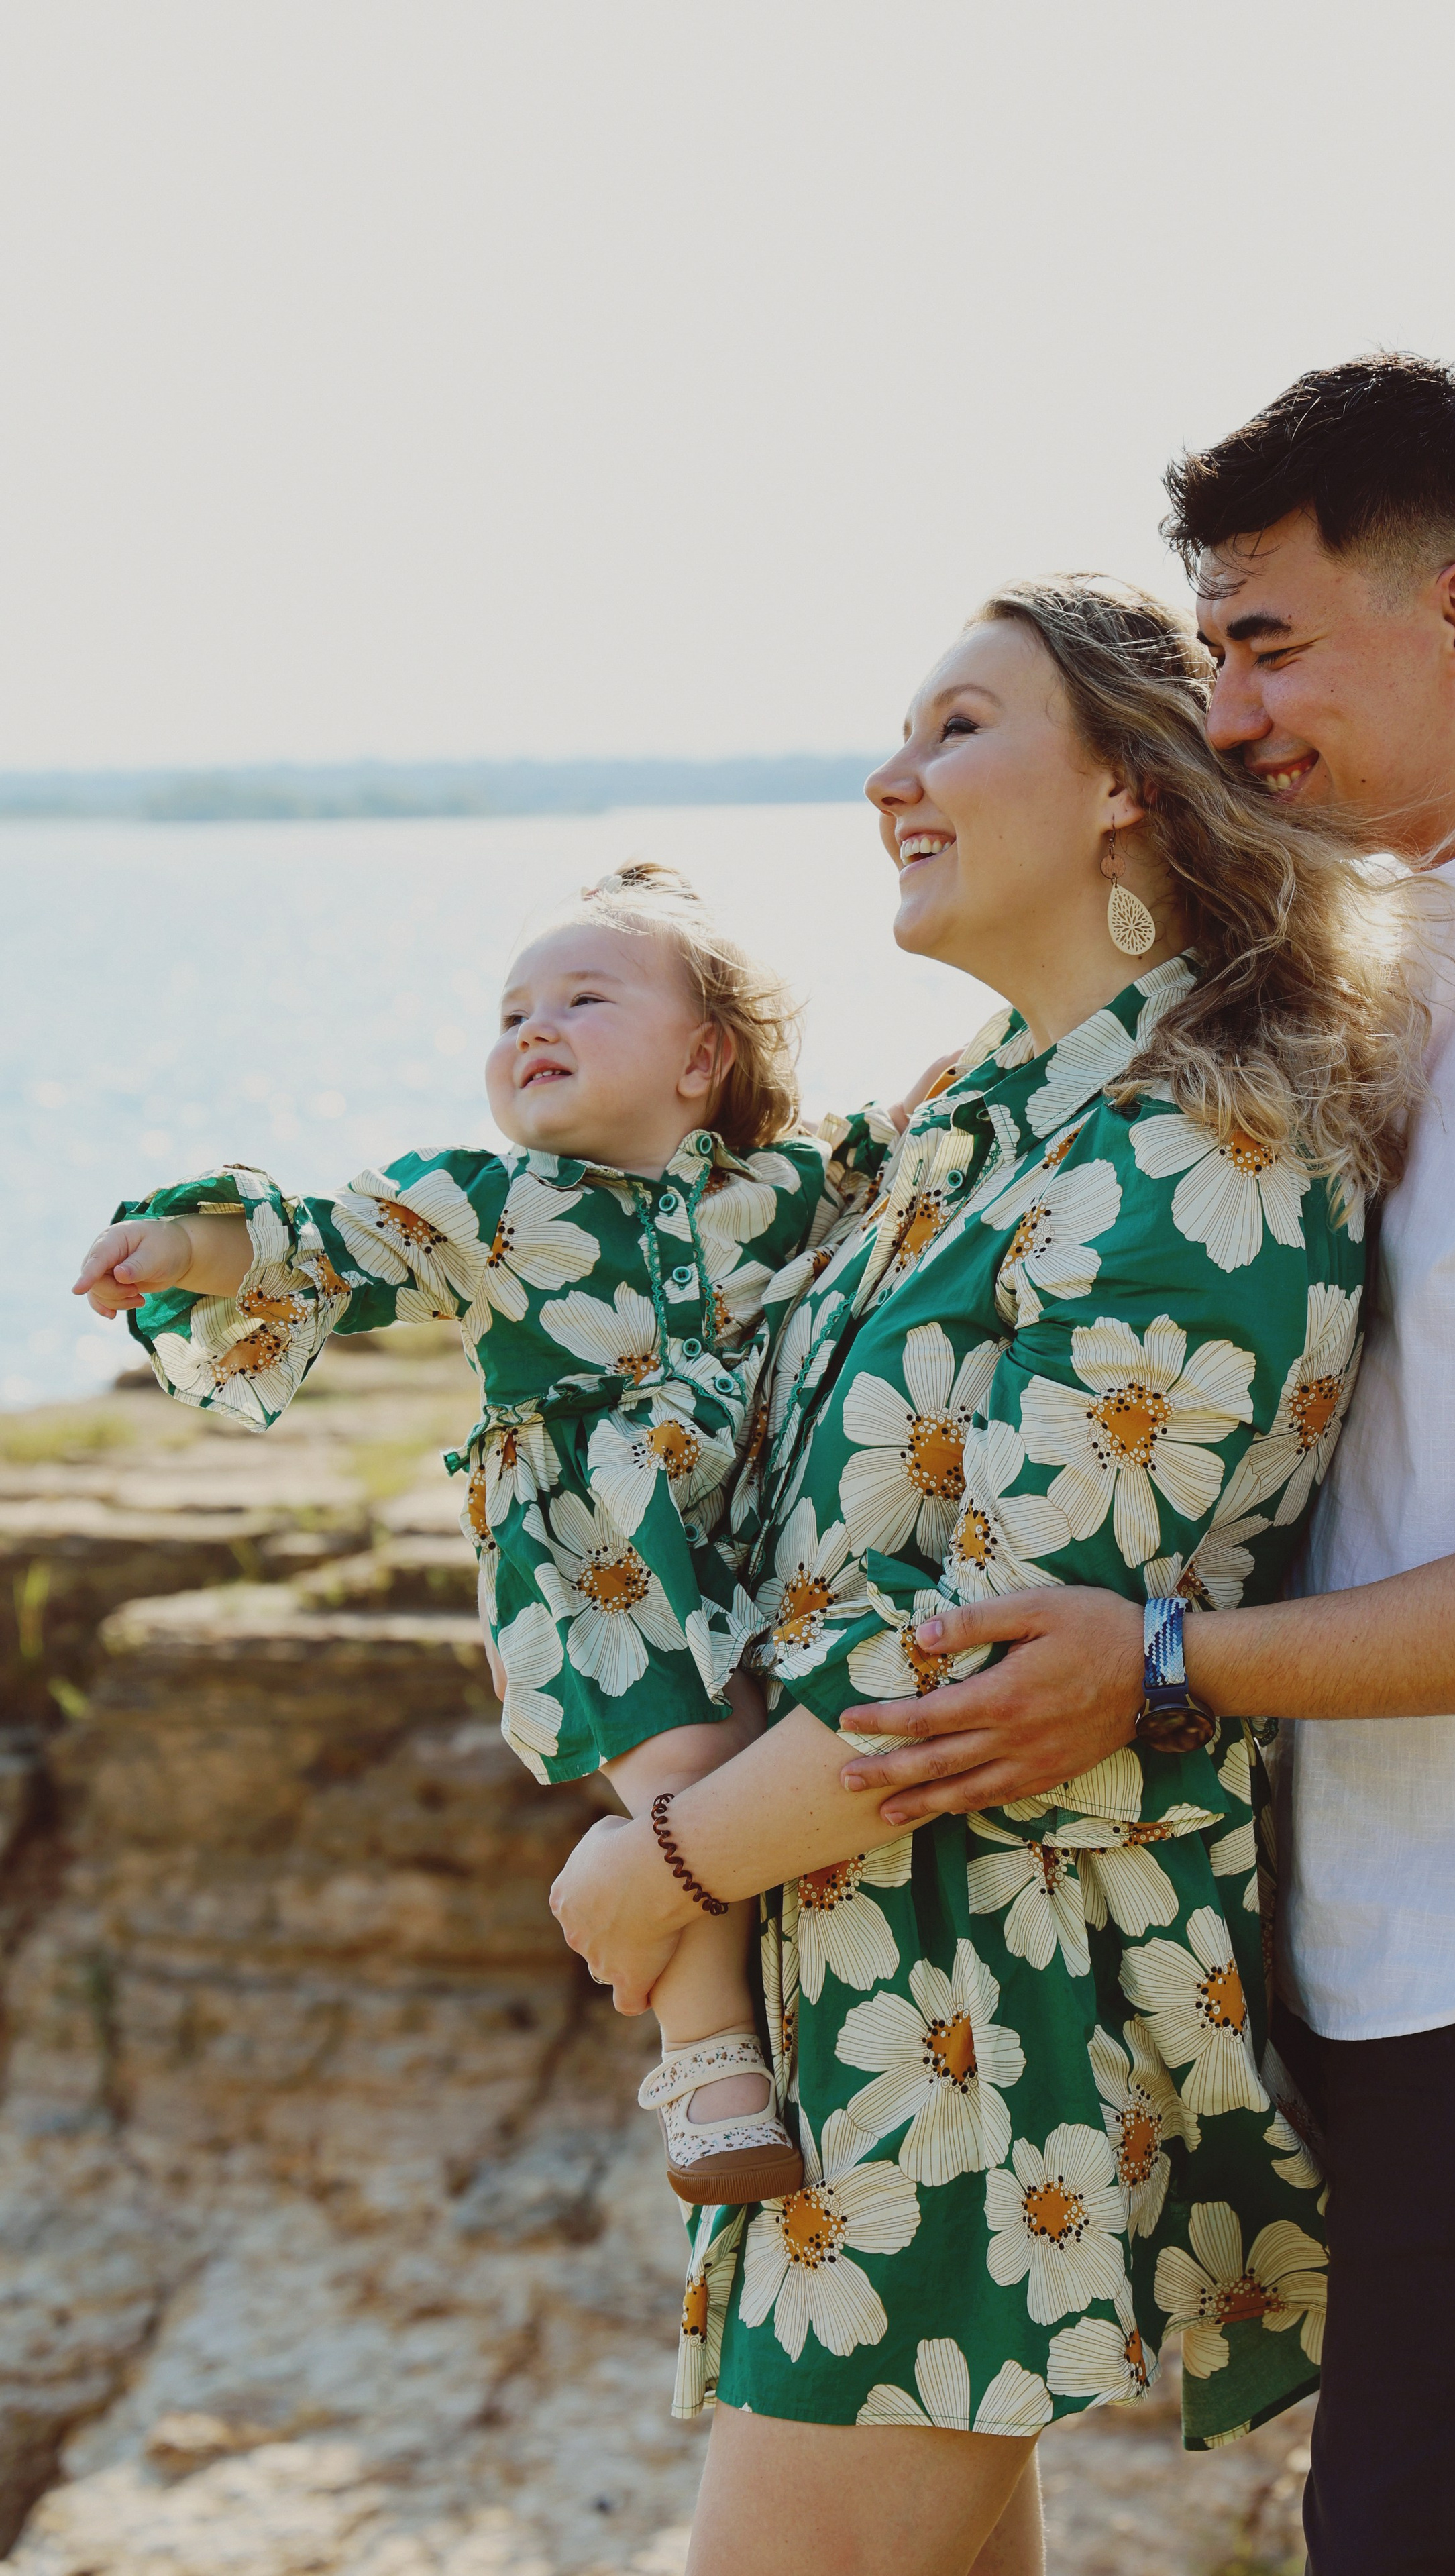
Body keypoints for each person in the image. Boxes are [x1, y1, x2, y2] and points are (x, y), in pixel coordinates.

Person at [833, 358, 1455, 2573]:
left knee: (1415, 2535)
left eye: (1268, 643)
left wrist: (1162, 1661)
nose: (1227, 715)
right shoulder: (1393, 964)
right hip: (1349, 1918)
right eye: (1210, 652)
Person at [547, 575, 1431, 2576]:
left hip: (980, 2031)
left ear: (1129, 782)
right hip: (860, 1982)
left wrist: (656, 1870)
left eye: (958, 726)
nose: (889, 778)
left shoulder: (1203, 1149)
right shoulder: (965, 1123)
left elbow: (989, 1664)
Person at [72, 862, 894, 2210]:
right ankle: (709, 2066)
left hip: (766, 1537)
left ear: (703, 1059)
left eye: (582, 997)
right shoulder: (485, 1210)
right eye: (510, 1011)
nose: (531, 1027)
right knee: (688, 1778)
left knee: (795, 1763)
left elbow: (919, 1141)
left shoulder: (789, 1190)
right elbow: (324, 1245)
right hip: (601, 1569)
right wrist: (181, 1248)